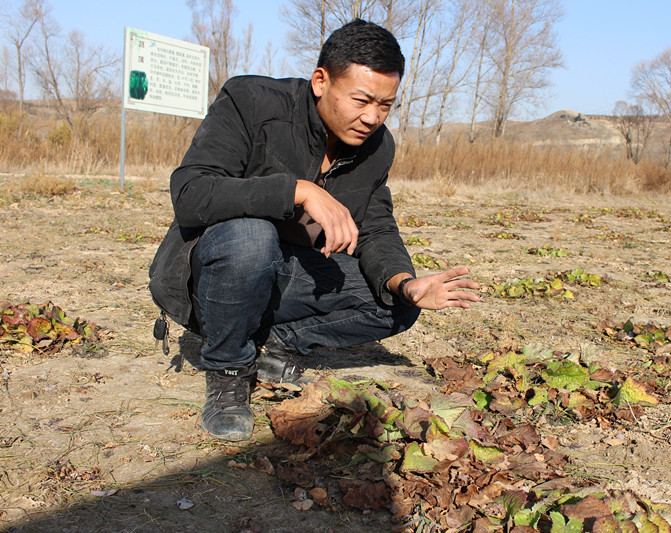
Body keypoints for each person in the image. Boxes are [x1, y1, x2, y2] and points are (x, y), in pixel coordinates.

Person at [148, 19, 479, 442]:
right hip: (209, 274)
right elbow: (191, 193)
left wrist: (406, 283)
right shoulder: (250, 101)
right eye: (361, 100)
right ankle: (230, 368)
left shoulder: (377, 147)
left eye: (386, 105)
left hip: (283, 271)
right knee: (253, 235)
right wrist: (297, 191)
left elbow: (375, 227)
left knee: (396, 301)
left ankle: (275, 345)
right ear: (321, 80)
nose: (371, 117)